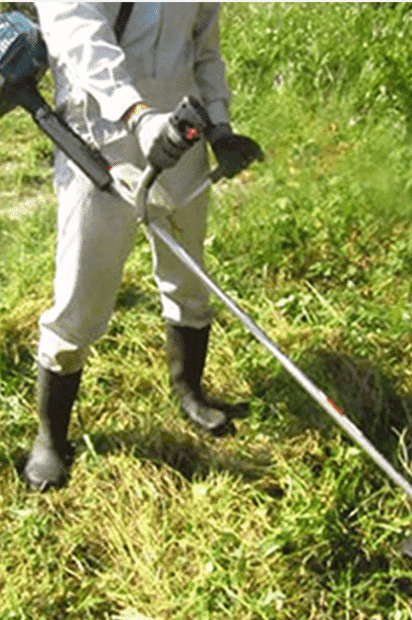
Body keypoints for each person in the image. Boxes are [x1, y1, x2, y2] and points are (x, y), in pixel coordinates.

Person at [24, 2, 263, 491]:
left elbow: (204, 49)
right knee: (80, 293)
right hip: (98, 132)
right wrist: (137, 114)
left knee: (188, 270)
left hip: (179, 132)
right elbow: (78, 35)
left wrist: (218, 125)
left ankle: (189, 388)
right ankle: (51, 436)